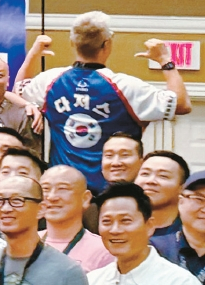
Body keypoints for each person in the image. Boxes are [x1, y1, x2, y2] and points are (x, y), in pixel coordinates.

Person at [20, 11, 191, 192]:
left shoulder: (49, 81)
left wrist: (33, 54)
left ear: (72, 43)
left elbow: (18, 90)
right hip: (113, 193)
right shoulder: (127, 86)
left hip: (62, 190)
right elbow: (182, 104)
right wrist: (165, 60)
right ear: (107, 44)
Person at [37, 166, 114, 273]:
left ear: (85, 198)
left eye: (62, 189)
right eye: (45, 189)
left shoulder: (104, 251)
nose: (52, 197)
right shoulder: (24, 243)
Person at [136, 150, 189, 239]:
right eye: (145, 174)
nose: (150, 181)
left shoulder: (194, 232)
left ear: (182, 188)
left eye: (163, 176)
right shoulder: (119, 227)